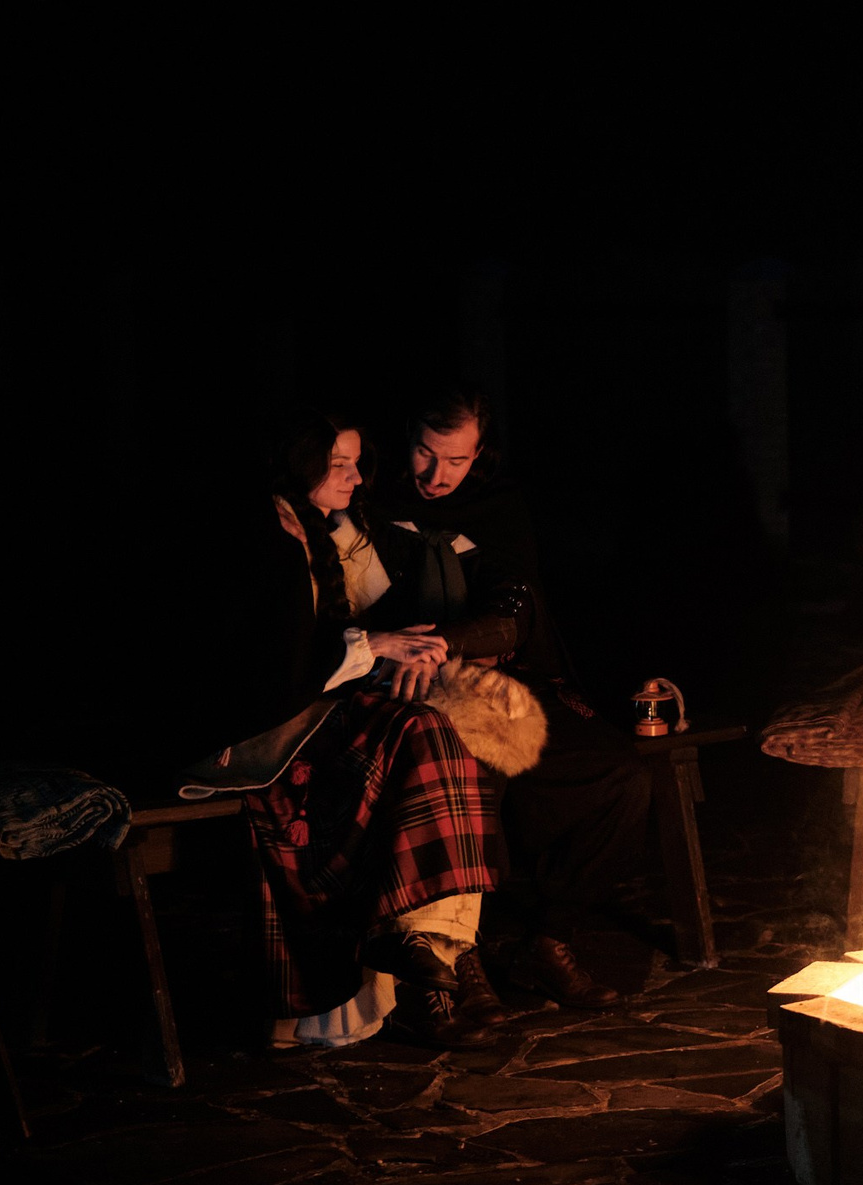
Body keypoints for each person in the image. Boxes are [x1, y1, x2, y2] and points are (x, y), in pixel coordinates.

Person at [172, 412, 507, 1051]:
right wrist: (370, 646)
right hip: (247, 733)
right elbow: (266, 664)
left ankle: (426, 939)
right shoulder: (261, 534)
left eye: (357, 462)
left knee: (436, 725)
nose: (355, 478)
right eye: (338, 465)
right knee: (411, 737)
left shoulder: (324, 531)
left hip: (305, 708)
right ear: (300, 466)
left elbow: (331, 637)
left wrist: (400, 649)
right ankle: (409, 944)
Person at [364, 388, 648, 1012]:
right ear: (406, 438)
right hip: (404, 690)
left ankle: (547, 940)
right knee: (469, 774)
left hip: (502, 680)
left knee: (620, 774)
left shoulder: (496, 506)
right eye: (425, 454)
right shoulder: (368, 502)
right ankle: (455, 950)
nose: (437, 476)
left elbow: (513, 606)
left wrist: (452, 641)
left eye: (456, 462)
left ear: (478, 456)